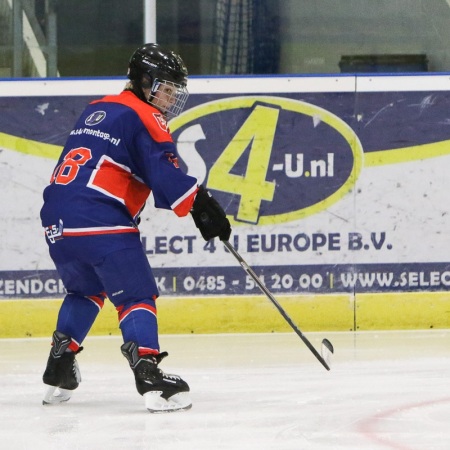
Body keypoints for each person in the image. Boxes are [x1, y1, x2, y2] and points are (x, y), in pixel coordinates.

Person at [40, 43, 231, 413]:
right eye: (166, 86)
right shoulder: (146, 115)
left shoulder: (98, 108)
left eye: (175, 89)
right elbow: (164, 173)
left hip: (57, 222)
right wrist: (202, 205)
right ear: (145, 82)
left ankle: (60, 364)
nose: (171, 95)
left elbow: (120, 162)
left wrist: (192, 201)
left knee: (85, 290)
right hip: (100, 218)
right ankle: (149, 374)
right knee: (137, 294)